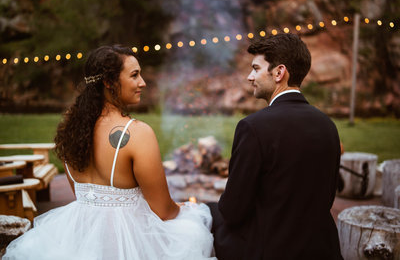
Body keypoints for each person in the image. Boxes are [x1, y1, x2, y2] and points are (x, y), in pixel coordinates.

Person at [4, 45, 215, 260]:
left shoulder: (71, 129)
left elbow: (81, 195)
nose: (143, 82)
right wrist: (182, 208)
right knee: (193, 223)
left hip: (80, 240)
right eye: (134, 75)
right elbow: (163, 211)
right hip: (130, 243)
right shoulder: (137, 133)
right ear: (108, 82)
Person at [208, 33, 343, 259]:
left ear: (279, 72)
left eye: (256, 68)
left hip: (269, 249)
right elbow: (327, 197)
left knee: (207, 214)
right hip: (321, 248)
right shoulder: (328, 125)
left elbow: (233, 211)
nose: (250, 77)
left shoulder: (253, 127)